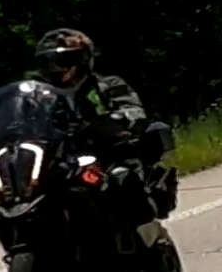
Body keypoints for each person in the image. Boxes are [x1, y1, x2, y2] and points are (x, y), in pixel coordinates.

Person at [34, 27, 173, 217]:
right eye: (48, 62)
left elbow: (133, 110)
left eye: (62, 61)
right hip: (64, 159)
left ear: (81, 59)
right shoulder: (40, 97)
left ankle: (143, 228)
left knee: (122, 179)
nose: (55, 69)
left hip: (108, 153)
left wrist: (119, 119)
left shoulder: (106, 86)